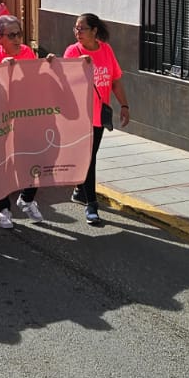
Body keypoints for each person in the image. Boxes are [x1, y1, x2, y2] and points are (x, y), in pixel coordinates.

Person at [65, 13, 130, 225]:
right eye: (76, 28)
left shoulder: (106, 50)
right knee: (89, 158)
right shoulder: (73, 51)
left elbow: (115, 81)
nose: (77, 32)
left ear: (94, 31)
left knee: (90, 156)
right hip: (80, 117)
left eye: (82, 28)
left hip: (99, 115)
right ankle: (91, 204)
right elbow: (63, 82)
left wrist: (124, 105)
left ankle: (79, 190)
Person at [0, 14, 45, 226]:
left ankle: (27, 199)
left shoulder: (28, 53)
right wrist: (2, 69)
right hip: (3, 119)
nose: (17, 39)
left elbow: (39, 79)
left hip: (26, 118)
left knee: (35, 159)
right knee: (4, 165)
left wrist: (52, 65)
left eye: (19, 34)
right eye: (11, 35)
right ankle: (3, 209)